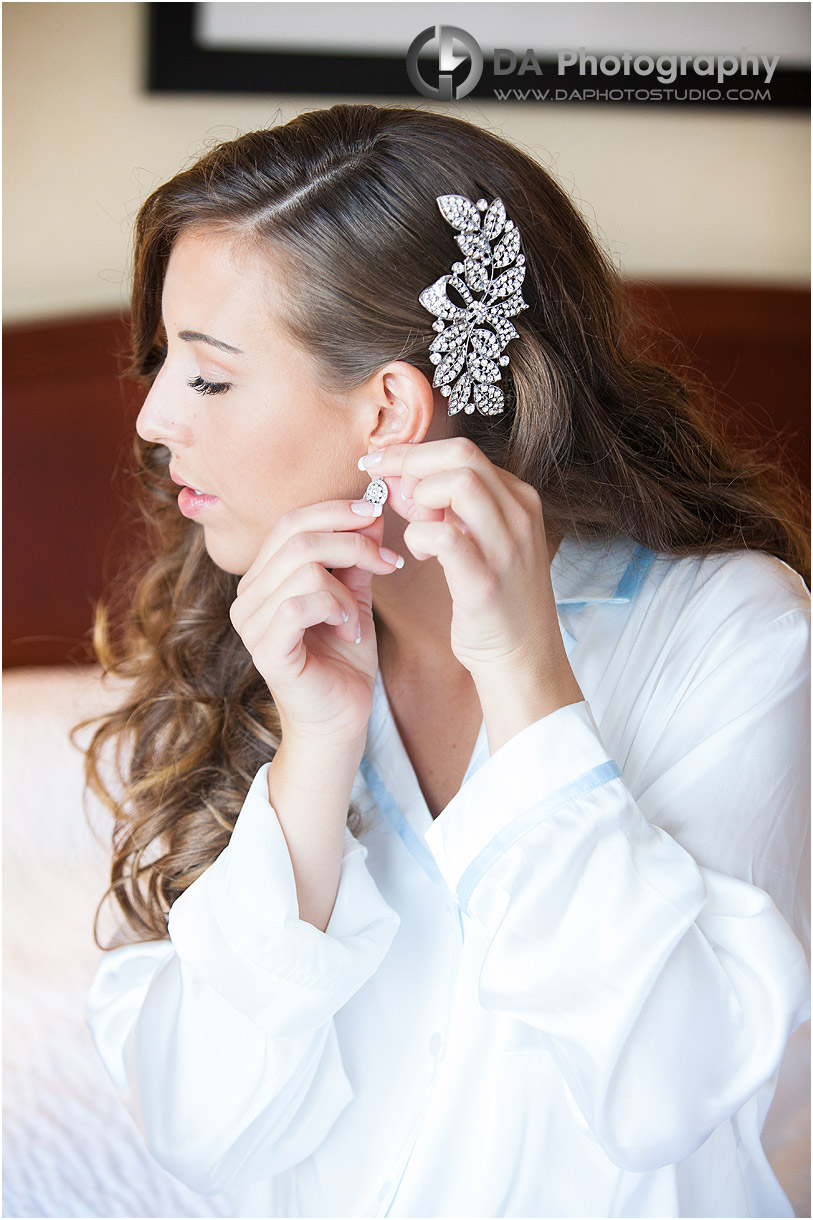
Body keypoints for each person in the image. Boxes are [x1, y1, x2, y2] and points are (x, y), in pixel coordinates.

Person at [83, 103, 810, 1218]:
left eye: (208, 375)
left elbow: (667, 1094)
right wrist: (310, 767)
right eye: (162, 363)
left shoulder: (733, 638)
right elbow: (204, 1130)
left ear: (388, 407)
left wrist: (530, 685)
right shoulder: (246, 645)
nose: (151, 418)